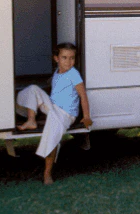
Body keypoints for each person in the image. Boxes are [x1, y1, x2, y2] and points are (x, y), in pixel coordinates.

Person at [16, 42, 92, 185]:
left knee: (52, 136)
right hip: (52, 106)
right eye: (64, 57)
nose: (69, 62)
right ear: (56, 59)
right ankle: (31, 120)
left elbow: (83, 95)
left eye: (72, 58)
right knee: (32, 89)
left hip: (65, 113)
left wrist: (86, 116)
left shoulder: (74, 74)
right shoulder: (57, 72)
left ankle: (47, 174)